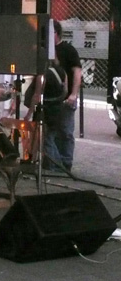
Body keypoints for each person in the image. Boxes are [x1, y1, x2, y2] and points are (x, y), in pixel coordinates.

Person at [51, 21, 81, 171]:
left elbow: (77, 72)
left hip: (66, 97)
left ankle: (66, 162)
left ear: (56, 33)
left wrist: (73, 94)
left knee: (65, 130)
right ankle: (55, 161)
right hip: (51, 99)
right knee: (52, 131)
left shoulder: (68, 50)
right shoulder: (45, 51)